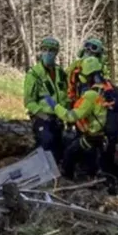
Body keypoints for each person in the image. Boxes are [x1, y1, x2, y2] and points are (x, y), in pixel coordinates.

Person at [50, 56, 118, 192]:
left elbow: (71, 116)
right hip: (108, 137)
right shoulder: (109, 89)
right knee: (99, 161)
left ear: (88, 76)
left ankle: (67, 183)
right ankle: (102, 179)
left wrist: (55, 106)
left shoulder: (91, 95)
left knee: (70, 152)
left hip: (94, 136)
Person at [23, 36, 68, 164]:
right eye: (45, 49)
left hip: (59, 117)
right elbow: (29, 101)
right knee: (46, 143)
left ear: (56, 53)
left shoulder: (60, 72)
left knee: (59, 150)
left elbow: (65, 95)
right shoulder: (34, 74)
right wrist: (42, 115)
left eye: (52, 50)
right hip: (43, 118)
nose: (48, 53)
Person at [67, 37, 108, 105]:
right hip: (76, 98)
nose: (88, 50)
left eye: (93, 48)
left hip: (90, 98)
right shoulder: (77, 63)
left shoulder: (100, 66)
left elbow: (101, 84)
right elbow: (67, 74)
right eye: (87, 46)